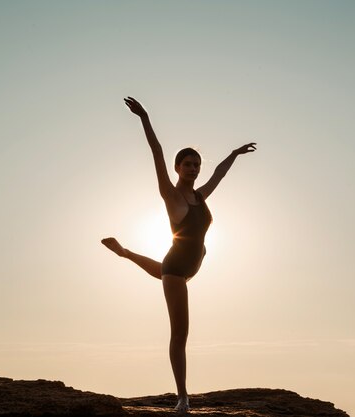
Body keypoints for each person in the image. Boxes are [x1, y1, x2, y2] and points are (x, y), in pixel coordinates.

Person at [102, 97, 256, 413]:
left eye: (196, 164)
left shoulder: (200, 196)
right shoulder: (170, 195)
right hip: (177, 269)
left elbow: (219, 174)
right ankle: (183, 397)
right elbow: (157, 152)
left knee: (163, 271)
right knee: (180, 332)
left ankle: (125, 252)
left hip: (186, 266)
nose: (194, 168)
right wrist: (144, 117)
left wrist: (234, 154)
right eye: (188, 163)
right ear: (178, 167)